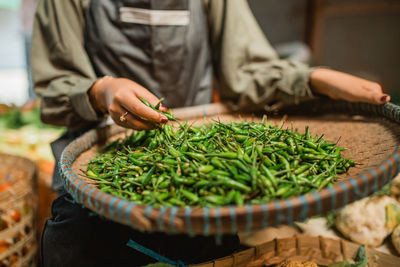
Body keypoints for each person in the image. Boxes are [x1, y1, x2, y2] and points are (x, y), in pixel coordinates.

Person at [31, 0, 390, 266]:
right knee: (81, 242)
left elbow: (248, 70)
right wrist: (101, 90)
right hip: (100, 159)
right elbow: (53, 88)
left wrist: (312, 79)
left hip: (192, 151)